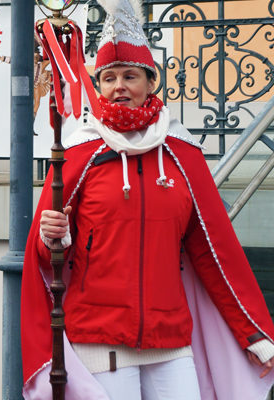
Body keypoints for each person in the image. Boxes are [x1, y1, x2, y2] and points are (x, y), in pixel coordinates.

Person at [21, 0, 274, 399]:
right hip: (100, 337)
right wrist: (54, 235)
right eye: (108, 78)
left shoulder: (182, 154)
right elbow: (44, 253)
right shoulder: (80, 152)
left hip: (170, 336)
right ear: (98, 86)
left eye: (130, 76)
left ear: (151, 82)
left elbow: (214, 252)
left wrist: (253, 331)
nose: (118, 86)